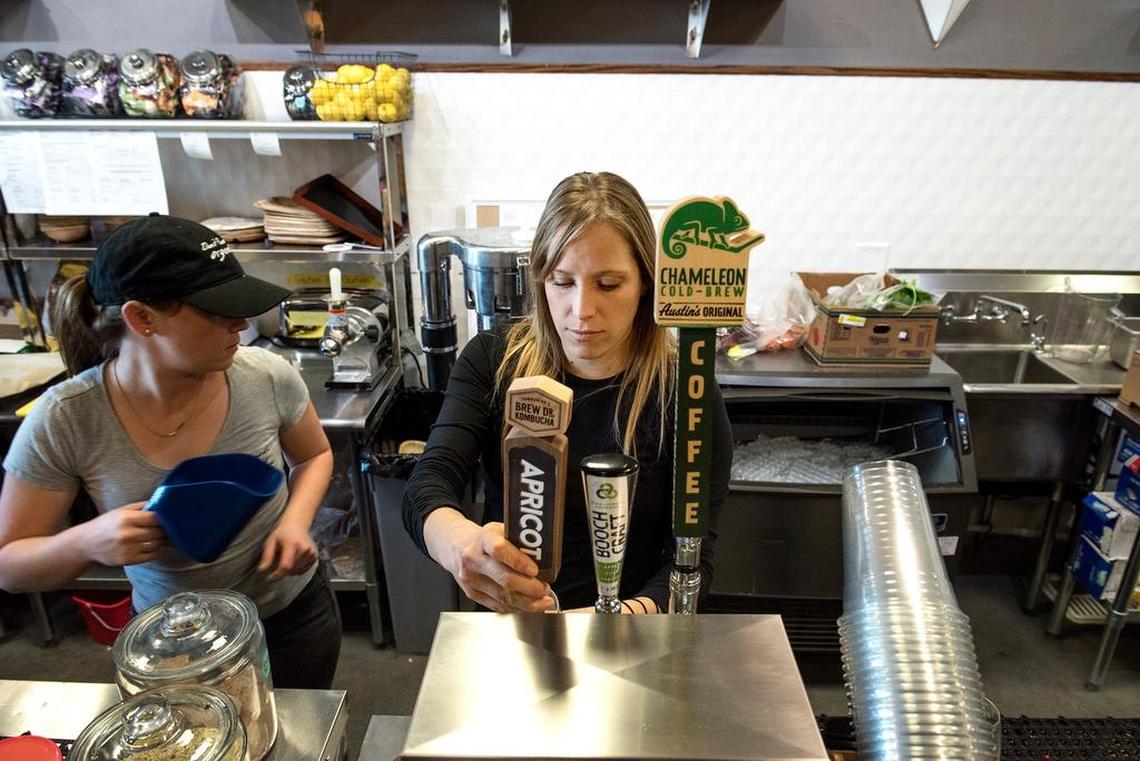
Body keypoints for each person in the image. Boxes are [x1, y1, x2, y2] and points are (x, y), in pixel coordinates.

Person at [0, 214, 341, 688]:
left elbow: (314, 456)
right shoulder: (66, 418)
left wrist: (294, 523)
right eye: (220, 312)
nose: (242, 324)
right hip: (173, 644)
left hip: (289, 618)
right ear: (142, 318)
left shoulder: (265, 375)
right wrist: (85, 541)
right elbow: (10, 565)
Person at [403, 171, 733, 613]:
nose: (581, 311)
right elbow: (427, 485)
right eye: (562, 281)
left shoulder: (684, 388)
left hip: (636, 630)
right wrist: (462, 545)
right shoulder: (494, 360)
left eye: (609, 284)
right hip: (515, 624)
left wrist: (609, 623)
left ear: (645, 284)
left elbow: (692, 558)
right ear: (540, 278)